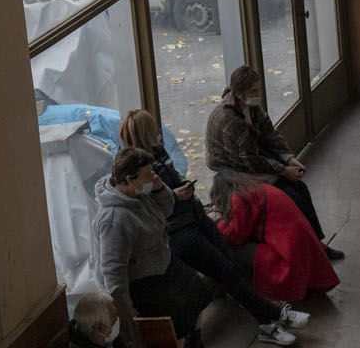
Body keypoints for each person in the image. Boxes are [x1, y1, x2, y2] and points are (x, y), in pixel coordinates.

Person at [118, 110, 307, 345]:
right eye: (153, 128)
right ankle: (272, 316)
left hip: (194, 216)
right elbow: (151, 208)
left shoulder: (157, 153)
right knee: (225, 270)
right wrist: (174, 195)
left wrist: (181, 187)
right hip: (178, 231)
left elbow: (172, 180)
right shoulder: (136, 172)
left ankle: (268, 316)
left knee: (230, 265)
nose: (159, 131)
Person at [206, 66, 343, 260]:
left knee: (300, 189)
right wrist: (283, 171)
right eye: (253, 90)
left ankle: (315, 243)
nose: (258, 94)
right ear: (240, 93)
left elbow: (270, 133)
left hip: (250, 159)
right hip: (232, 170)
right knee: (289, 196)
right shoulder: (230, 120)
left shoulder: (251, 106)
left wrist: (288, 157)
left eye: (258, 88)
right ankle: (306, 249)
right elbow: (248, 161)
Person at [92, 147, 212, 348]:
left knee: (198, 292)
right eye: (149, 175)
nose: (153, 176)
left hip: (161, 261)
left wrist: (158, 188)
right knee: (175, 320)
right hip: (143, 280)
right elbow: (113, 270)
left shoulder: (139, 192)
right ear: (130, 179)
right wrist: (127, 311)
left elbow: (165, 210)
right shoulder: (115, 220)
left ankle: (195, 339)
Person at [210, 170, 340, 304]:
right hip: (302, 255)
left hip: (287, 261)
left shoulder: (241, 197)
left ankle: (245, 295)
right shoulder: (258, 188)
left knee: (226, 247)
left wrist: (217, 222)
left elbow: (234, 236)